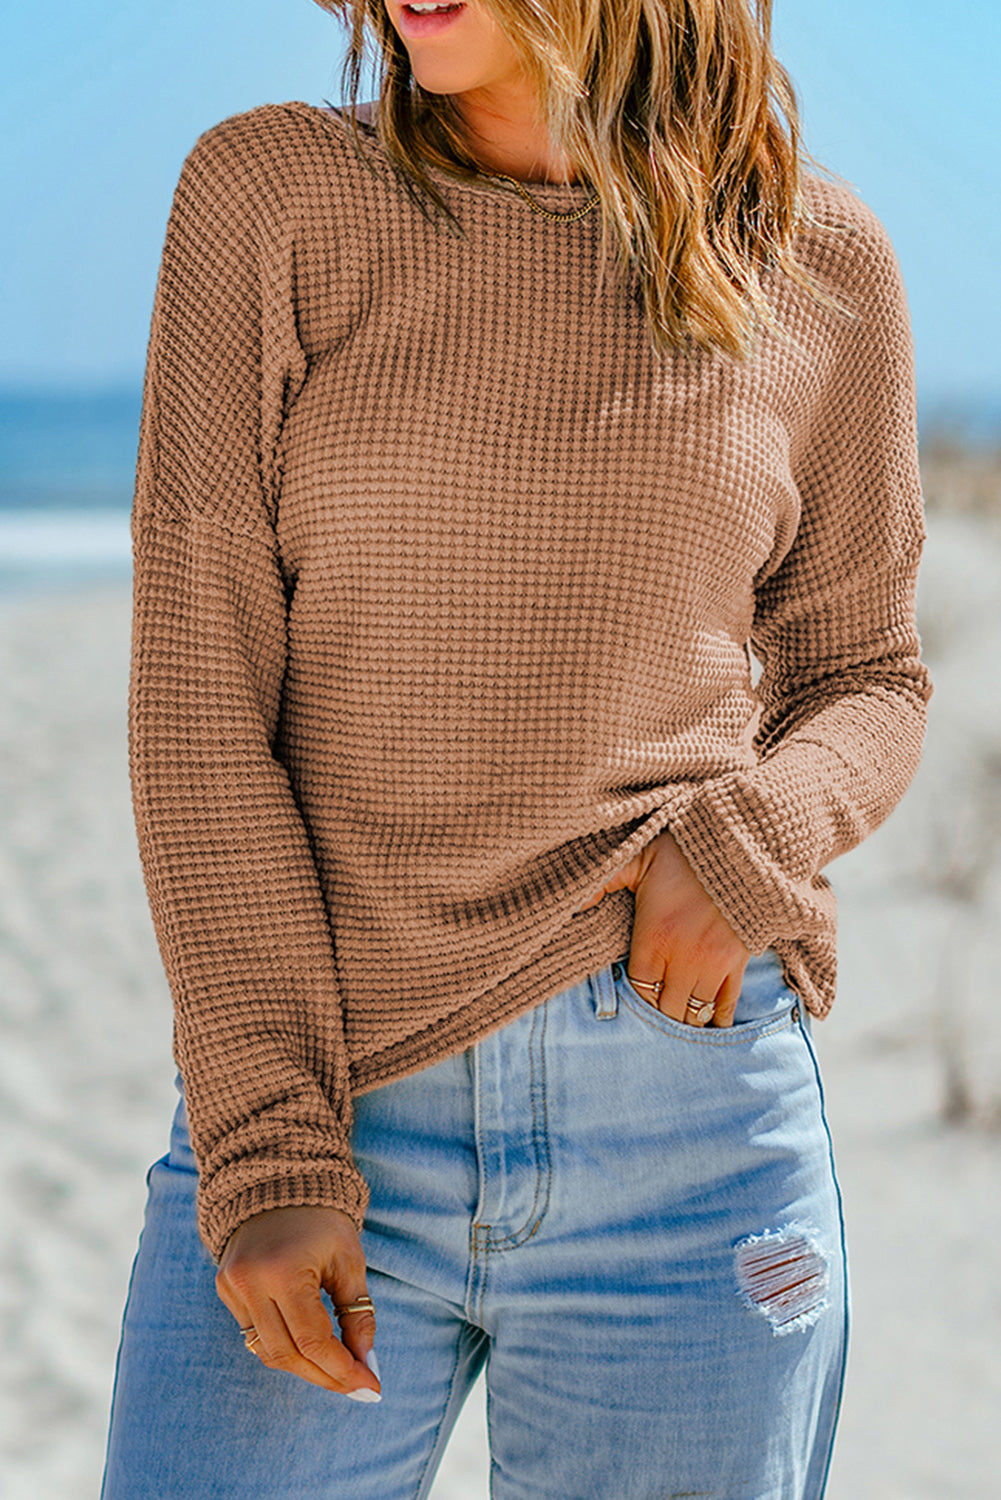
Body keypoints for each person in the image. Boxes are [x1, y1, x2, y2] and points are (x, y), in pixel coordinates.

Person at [101, 1, 933, 1495]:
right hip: (328, 1106)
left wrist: (748, 841)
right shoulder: (272, 195)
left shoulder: (820, 262)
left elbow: (866, 676)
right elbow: (200, 704)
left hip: (691, 1128)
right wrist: (268, 1138)